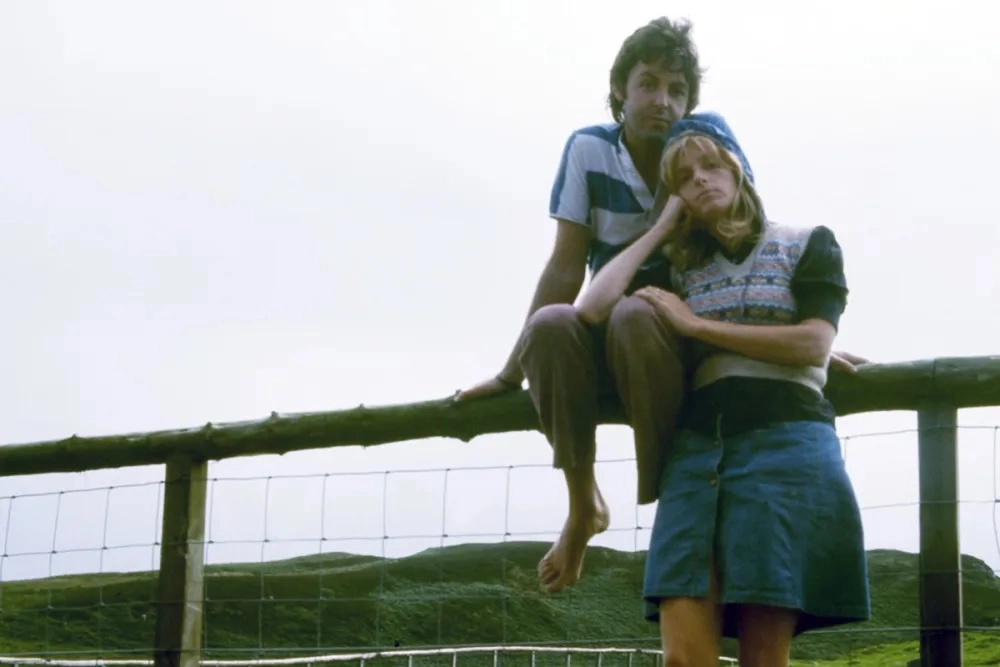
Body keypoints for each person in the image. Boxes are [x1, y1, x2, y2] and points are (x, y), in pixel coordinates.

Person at [455, 16, 866, 595]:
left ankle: (669, 493)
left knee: (636, 314)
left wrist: (809, 338)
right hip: (610, 315)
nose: (662, 101)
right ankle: (583, 505)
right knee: (551, 325)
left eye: (676, 89)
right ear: (620, 89)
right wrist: (508, 372)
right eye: (647, 84)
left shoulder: (705, 146)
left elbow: (750, 244)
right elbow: (567, 266)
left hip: (679, 334)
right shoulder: (589, 150)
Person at [577, 111, 871, 666]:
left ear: (738, 169)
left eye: (710, 165)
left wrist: (698, 328)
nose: (700, 180)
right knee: (682, 657)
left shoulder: (807, 242)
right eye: (683, 178)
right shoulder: (678, 268)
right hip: (697, 452)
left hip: (786, 444)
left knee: (764, 656)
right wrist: (659, 230)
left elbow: (813, 343)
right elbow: (592, 308)